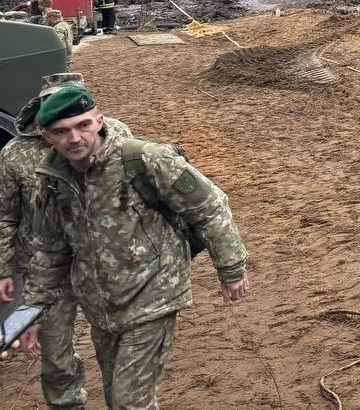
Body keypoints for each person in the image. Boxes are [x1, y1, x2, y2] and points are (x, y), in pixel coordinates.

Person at [17, 86, 248, 410]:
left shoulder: (145, 159)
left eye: (82, 125)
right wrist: (33, 313)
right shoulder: (51, 179)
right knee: (117, 395)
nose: (74, 138)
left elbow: (210, 206)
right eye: (61, 131)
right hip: (100, 306)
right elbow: (48, 252)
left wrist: (231, 268)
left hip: (154, 293)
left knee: (129, 403)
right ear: (46, 137)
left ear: (98, 121)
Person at [0, 74, 133, 410]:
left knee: (118, 350)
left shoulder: (115, 134)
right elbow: (6, 214)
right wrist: (3, 268)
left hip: (103, 263)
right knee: (55, 357)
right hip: (46, 270)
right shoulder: (15, 153)